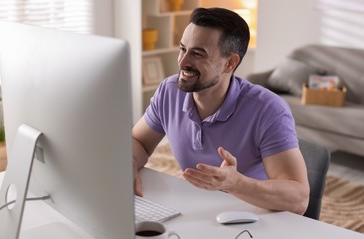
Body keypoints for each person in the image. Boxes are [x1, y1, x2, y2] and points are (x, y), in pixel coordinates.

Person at [132, 7, 309, 215]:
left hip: (254, 218)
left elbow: (299, 199)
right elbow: (139, 142)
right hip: (198, 210)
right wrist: (129, 165)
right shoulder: (169, 91)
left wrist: (235, 183)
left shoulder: (268, 110)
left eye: (198, 53)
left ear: (230, 63)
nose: (183, 62)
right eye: (182, 49)